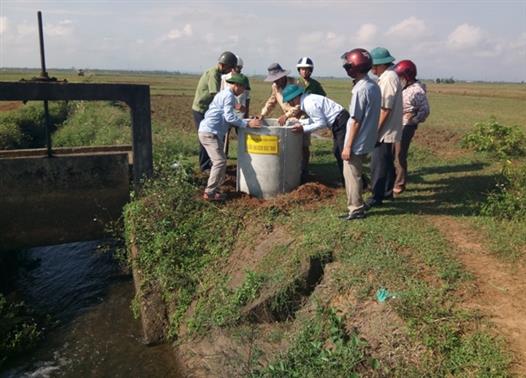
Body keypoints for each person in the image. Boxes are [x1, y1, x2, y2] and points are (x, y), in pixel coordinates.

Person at [198, 73, 261, 201]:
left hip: (210, 131)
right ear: (237, 85)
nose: (244, 91)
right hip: (210, 133)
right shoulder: (229, 96)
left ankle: (215, 190)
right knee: (220, 161)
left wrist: (236, 106)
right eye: (243, 88)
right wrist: (247, 123)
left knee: (221, 161)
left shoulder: (224, 94)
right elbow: (229, 117)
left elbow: (222, 109)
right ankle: (209, 193)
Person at [340, 48, 381, 220]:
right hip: (368, 138)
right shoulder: (373, 85)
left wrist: (347, 146)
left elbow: (355, 120)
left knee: (351, 175)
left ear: (355, 67)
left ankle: (356, 209)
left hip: (357, 140)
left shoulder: (360, 90)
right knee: (355, 173)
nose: (346, 68)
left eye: (348, 65)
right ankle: (357, 205)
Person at [283, 84, 350, 182]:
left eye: (290, 101)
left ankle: (353, 181)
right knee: (337, 151)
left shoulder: (309, 104)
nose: (290, 104)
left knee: (342, 152)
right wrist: (300, 122)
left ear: (296, 97)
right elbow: (315, 119)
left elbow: (321, 123)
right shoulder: (307, 101)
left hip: (340, 121)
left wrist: (303, 128)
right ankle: (347, 179)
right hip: (339, 121)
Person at [365, 47, 403, 209]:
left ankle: (377, 196)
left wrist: (375, 129)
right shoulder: (389, 76)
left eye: (373, 66)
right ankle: (387, 191)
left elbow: (385, 108)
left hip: (385, 130)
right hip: (389, 129)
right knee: (386, 162)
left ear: (380, 65)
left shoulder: (388, 78)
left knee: (378, 164)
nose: (372, 69)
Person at [192, 51, 237, 172]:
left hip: (207, 109)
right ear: (224, 65)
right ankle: (205, 166)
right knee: (206, 135)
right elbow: (215, 94)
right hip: (201, 109)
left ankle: (212, 163)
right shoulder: (213, 74)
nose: (229, 72)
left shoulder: (217, 73)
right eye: (229, 68)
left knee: (213, 135)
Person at [393, 60, 430, 195]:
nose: (399, 80)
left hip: (406, 126)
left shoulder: (417, 90)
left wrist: (414, 119)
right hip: (396, 124)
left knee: (399, 154)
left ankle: (400, 183)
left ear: (408, 76)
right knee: (392, 152)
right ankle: (393, 178)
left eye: (401, 77)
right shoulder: (405, 88)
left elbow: (425, 110)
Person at [296, 57, 326, 182]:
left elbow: (323, 98)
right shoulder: (295, 83)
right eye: (302, 69)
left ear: (311, 71)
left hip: (308, 118)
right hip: (295, 116)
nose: (304, 72)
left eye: (307, 69)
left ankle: (304, 168)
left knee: (304, 145)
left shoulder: (315, 85)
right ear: (299, 70)